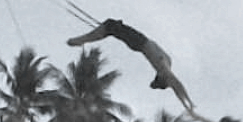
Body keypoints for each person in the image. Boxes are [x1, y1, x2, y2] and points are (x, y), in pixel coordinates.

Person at [66, 18, 194, 110]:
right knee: (110, 26)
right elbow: (177, 86)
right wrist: (188, 103)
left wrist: (187, 102)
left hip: (140, 42)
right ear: (162, 79)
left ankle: (83, 39)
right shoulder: (164, 68)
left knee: (111, 26)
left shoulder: (166, 63)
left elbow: (176, 87)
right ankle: (81, 40)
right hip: (140, 42)